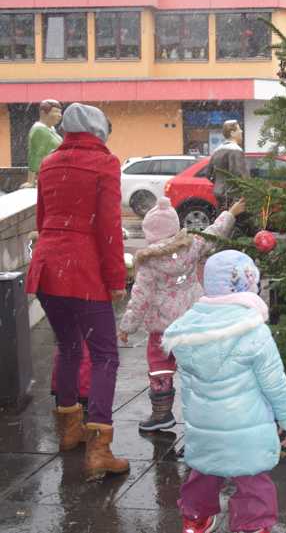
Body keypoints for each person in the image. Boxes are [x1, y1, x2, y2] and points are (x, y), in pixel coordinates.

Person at [25, 103, 129, 481]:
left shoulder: (50, 163)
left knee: (68, 347)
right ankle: (99, 447)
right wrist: (116, 278)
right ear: (99, 130)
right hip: (83, 271)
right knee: (104, 356)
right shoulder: (104, 163)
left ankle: (69, 430)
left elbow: (41, 219)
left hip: (49, 268)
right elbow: (109, 226)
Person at [161, 250, 286, 533]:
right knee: (252, 478)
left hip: (205, 423)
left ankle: (195, 518)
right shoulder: (253, 331)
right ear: (250, 285)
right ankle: (253, 525)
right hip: (248, 425)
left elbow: (187, 384)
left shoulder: (188, 331)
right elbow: (274, 382)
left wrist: (196, 418)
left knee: (204, 471)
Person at [118, 196, 246, 433]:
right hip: (192, 323)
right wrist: (231, 213)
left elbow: (140, 297)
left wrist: (127, 327)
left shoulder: (148, 262)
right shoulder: (192, 245)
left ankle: (161, 414)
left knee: (160, 368)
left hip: (162, 330)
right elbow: (214, 231)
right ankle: (202, 416)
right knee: (196, 370)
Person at [207, 120, 249, 213]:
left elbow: (209, 174)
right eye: (239, 129)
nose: (241, 131)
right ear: (232, 133)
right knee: (235, 224)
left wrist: (219, 184)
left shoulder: (217, 151)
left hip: (219, 194)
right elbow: (240, 176)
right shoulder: (236, 150)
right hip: (233, 197)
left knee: (222, 222)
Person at [22, 99, 63, 188]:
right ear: (43, 113)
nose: (59, 115)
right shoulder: (39, 130)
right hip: (46, 176)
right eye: (56, 112)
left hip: (54, 174)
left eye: (60, 112)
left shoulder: (51, 129)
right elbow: (35, 155)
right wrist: (31, 181)